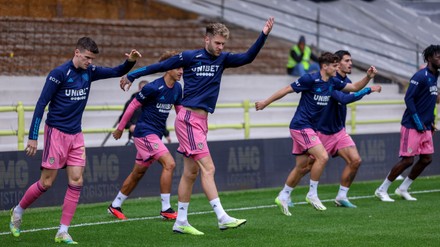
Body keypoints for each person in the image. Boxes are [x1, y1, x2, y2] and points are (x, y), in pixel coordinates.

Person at [120, 17, 275, 235]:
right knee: (208, 168)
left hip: (201, 122)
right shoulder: (190, 56)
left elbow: (248, 57)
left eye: (223, 44)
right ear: (207, 39)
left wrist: (264, 34)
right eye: (217, 43)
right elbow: (161, 66)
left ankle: (181, 221)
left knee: (191, 173)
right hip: (189, 120)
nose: (221, 48)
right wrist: (132, 74)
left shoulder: (223, 59)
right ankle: (222, 217)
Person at [9, 37, 141, 244]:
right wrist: (33, 137)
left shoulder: (90, 71)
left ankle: (63, 231)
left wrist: (131, 61)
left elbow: (116, 71)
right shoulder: (58, 74)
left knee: (77, 180)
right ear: (77, 52)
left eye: (92, 59)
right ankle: (17, 211)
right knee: (46, 183)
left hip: (76, 135)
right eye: (87, 57)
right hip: (56, 134)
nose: (90, 62)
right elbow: (41, 104)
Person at [255, 52, 377, 216]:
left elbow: (354, 88)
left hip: (310, 128)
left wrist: (368, 77)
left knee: (302, 167)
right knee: (323, 157)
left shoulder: (333, 81)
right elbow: (286, 89)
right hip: (301, 126)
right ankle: (312, 194)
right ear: (325, 66)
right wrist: (264, 102)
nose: (337, 68)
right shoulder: (310, 79)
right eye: (334, 65)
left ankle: (283, 196)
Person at [108, 51, 183, 221]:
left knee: (138, 173)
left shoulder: (178, 88)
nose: (181, 71)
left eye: (182, 68)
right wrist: (120, 129)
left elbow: (180, 113)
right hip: (144, 133)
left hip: (155, 135)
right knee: (169, 164)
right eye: (178, 67)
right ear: (168, 68)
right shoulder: (153, 87)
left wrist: (187, 131)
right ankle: (166, 208)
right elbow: (133, 106)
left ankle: (115, 205)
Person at [313, 50, 382, 208]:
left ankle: (341, 196)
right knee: (306, 167)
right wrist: (368, 90)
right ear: (337, 64)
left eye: (351, 60)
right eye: (347, 60)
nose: (350, 63)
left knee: (355, 160)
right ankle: (286, 193)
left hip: (339, 132)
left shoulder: (347, 80)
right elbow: (343, 99)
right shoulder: (331, 80)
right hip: (322, 132)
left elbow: (354, 90)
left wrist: (368, 78)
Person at [375, 45, 440, 202]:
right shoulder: (420, 76)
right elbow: (408, 99)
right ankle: (381, 190)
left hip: (425, 125)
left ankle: (403, 188)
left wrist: (430, 120)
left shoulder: (435, 75)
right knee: (408, 160)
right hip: (412, 125)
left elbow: (430, 100)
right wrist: (418, 121)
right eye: (438, 57)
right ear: (429, 58)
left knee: (426, 159)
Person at [119, 80, 172, 146]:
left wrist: (166, 134)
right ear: (139, 90)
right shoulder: (131, 102)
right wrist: (130, 126)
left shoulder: (155, 103)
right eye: (143, 90)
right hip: (135, 137)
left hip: (152, 137)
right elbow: (122, 119)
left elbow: (160, 119)